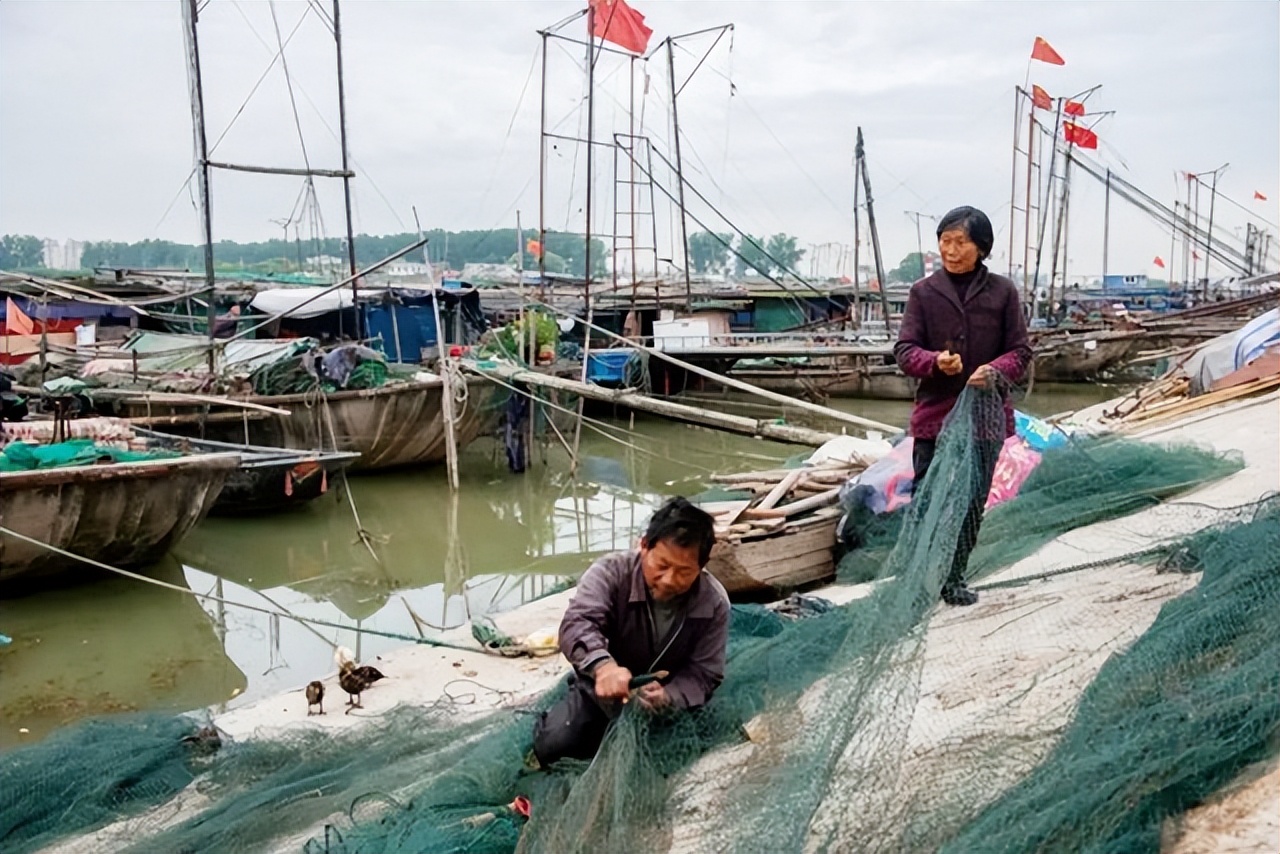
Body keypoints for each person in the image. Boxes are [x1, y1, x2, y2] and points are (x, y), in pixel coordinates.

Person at [893, 206, 1032, 606]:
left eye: (960, 242)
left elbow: (1021, 353)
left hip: (984, 419)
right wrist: (934, 362)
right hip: (935, 418)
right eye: (945, 241)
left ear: (981, 248)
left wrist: (993, 370)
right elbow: (904, 351)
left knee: (971, 502)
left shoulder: (1003, 292)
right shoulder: (923, 292)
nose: (950, 250)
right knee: (926, 500)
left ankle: (952, 579)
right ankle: (917, 580)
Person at [531, 497, 730, 767]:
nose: (670, 580)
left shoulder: (714, 602)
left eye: (684, 572)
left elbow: (705, 674)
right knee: (554, 745)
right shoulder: (610, 573)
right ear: (644, 546)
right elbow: (579, 623)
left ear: (701, 567)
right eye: (662, 565)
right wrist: (604, 668)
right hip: (601, 694)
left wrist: (669, 696)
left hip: (664, 707)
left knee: (693, 757)